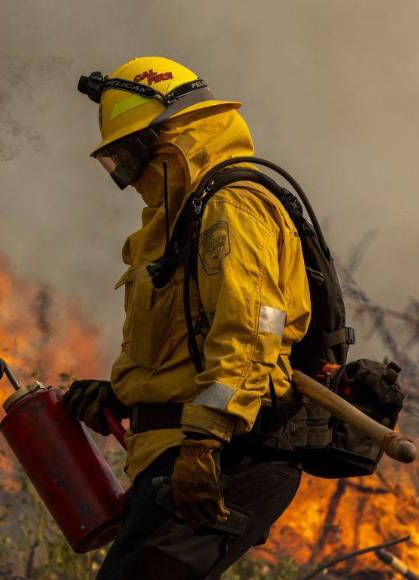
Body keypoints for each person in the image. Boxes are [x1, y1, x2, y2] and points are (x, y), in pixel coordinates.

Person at [65, 56, 312, 579]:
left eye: (130, 157)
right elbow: (184, 344)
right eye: (115, 164)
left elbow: (251, 329)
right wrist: (125, 397)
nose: (129, 179)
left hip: (224, 454)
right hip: (182, 454)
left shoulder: (231, 207)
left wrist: (205, 439)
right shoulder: (185, 220)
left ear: (173, 135)